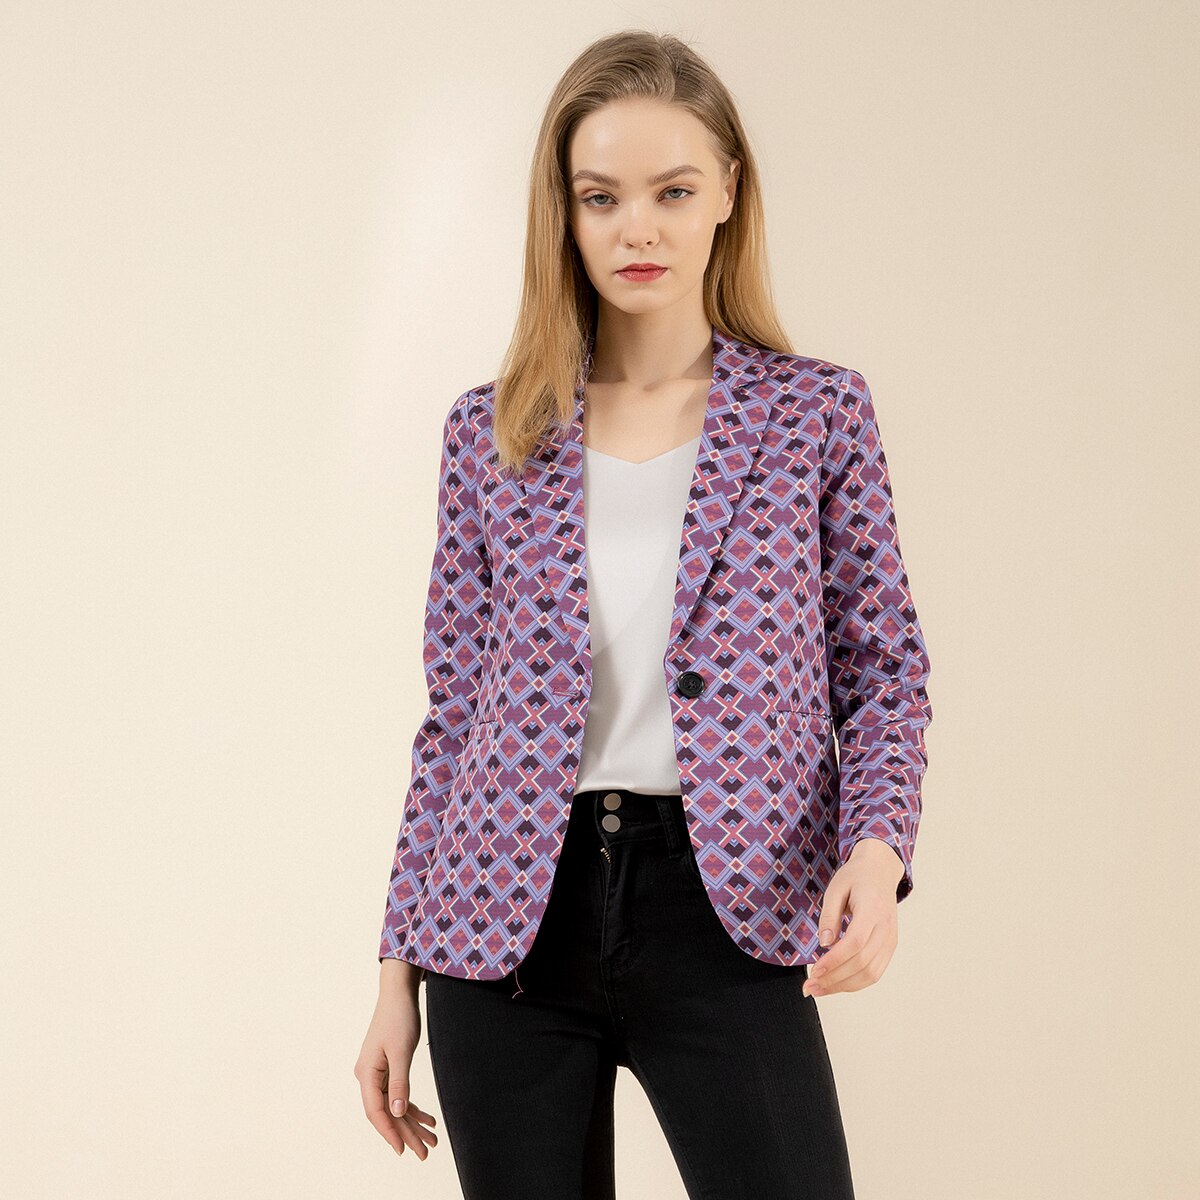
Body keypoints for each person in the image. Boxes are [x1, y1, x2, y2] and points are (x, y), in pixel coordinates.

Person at [355, 28, 933, 1200]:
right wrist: (395, 971)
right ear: (563, 215)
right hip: (503, 926)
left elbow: (883, 669)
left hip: (729, 907)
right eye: (601, 197)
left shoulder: (815, 415)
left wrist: (877, 853)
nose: (638, 229)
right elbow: (452, 718)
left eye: (672, 191)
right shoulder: (491, 432)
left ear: (727, 193)